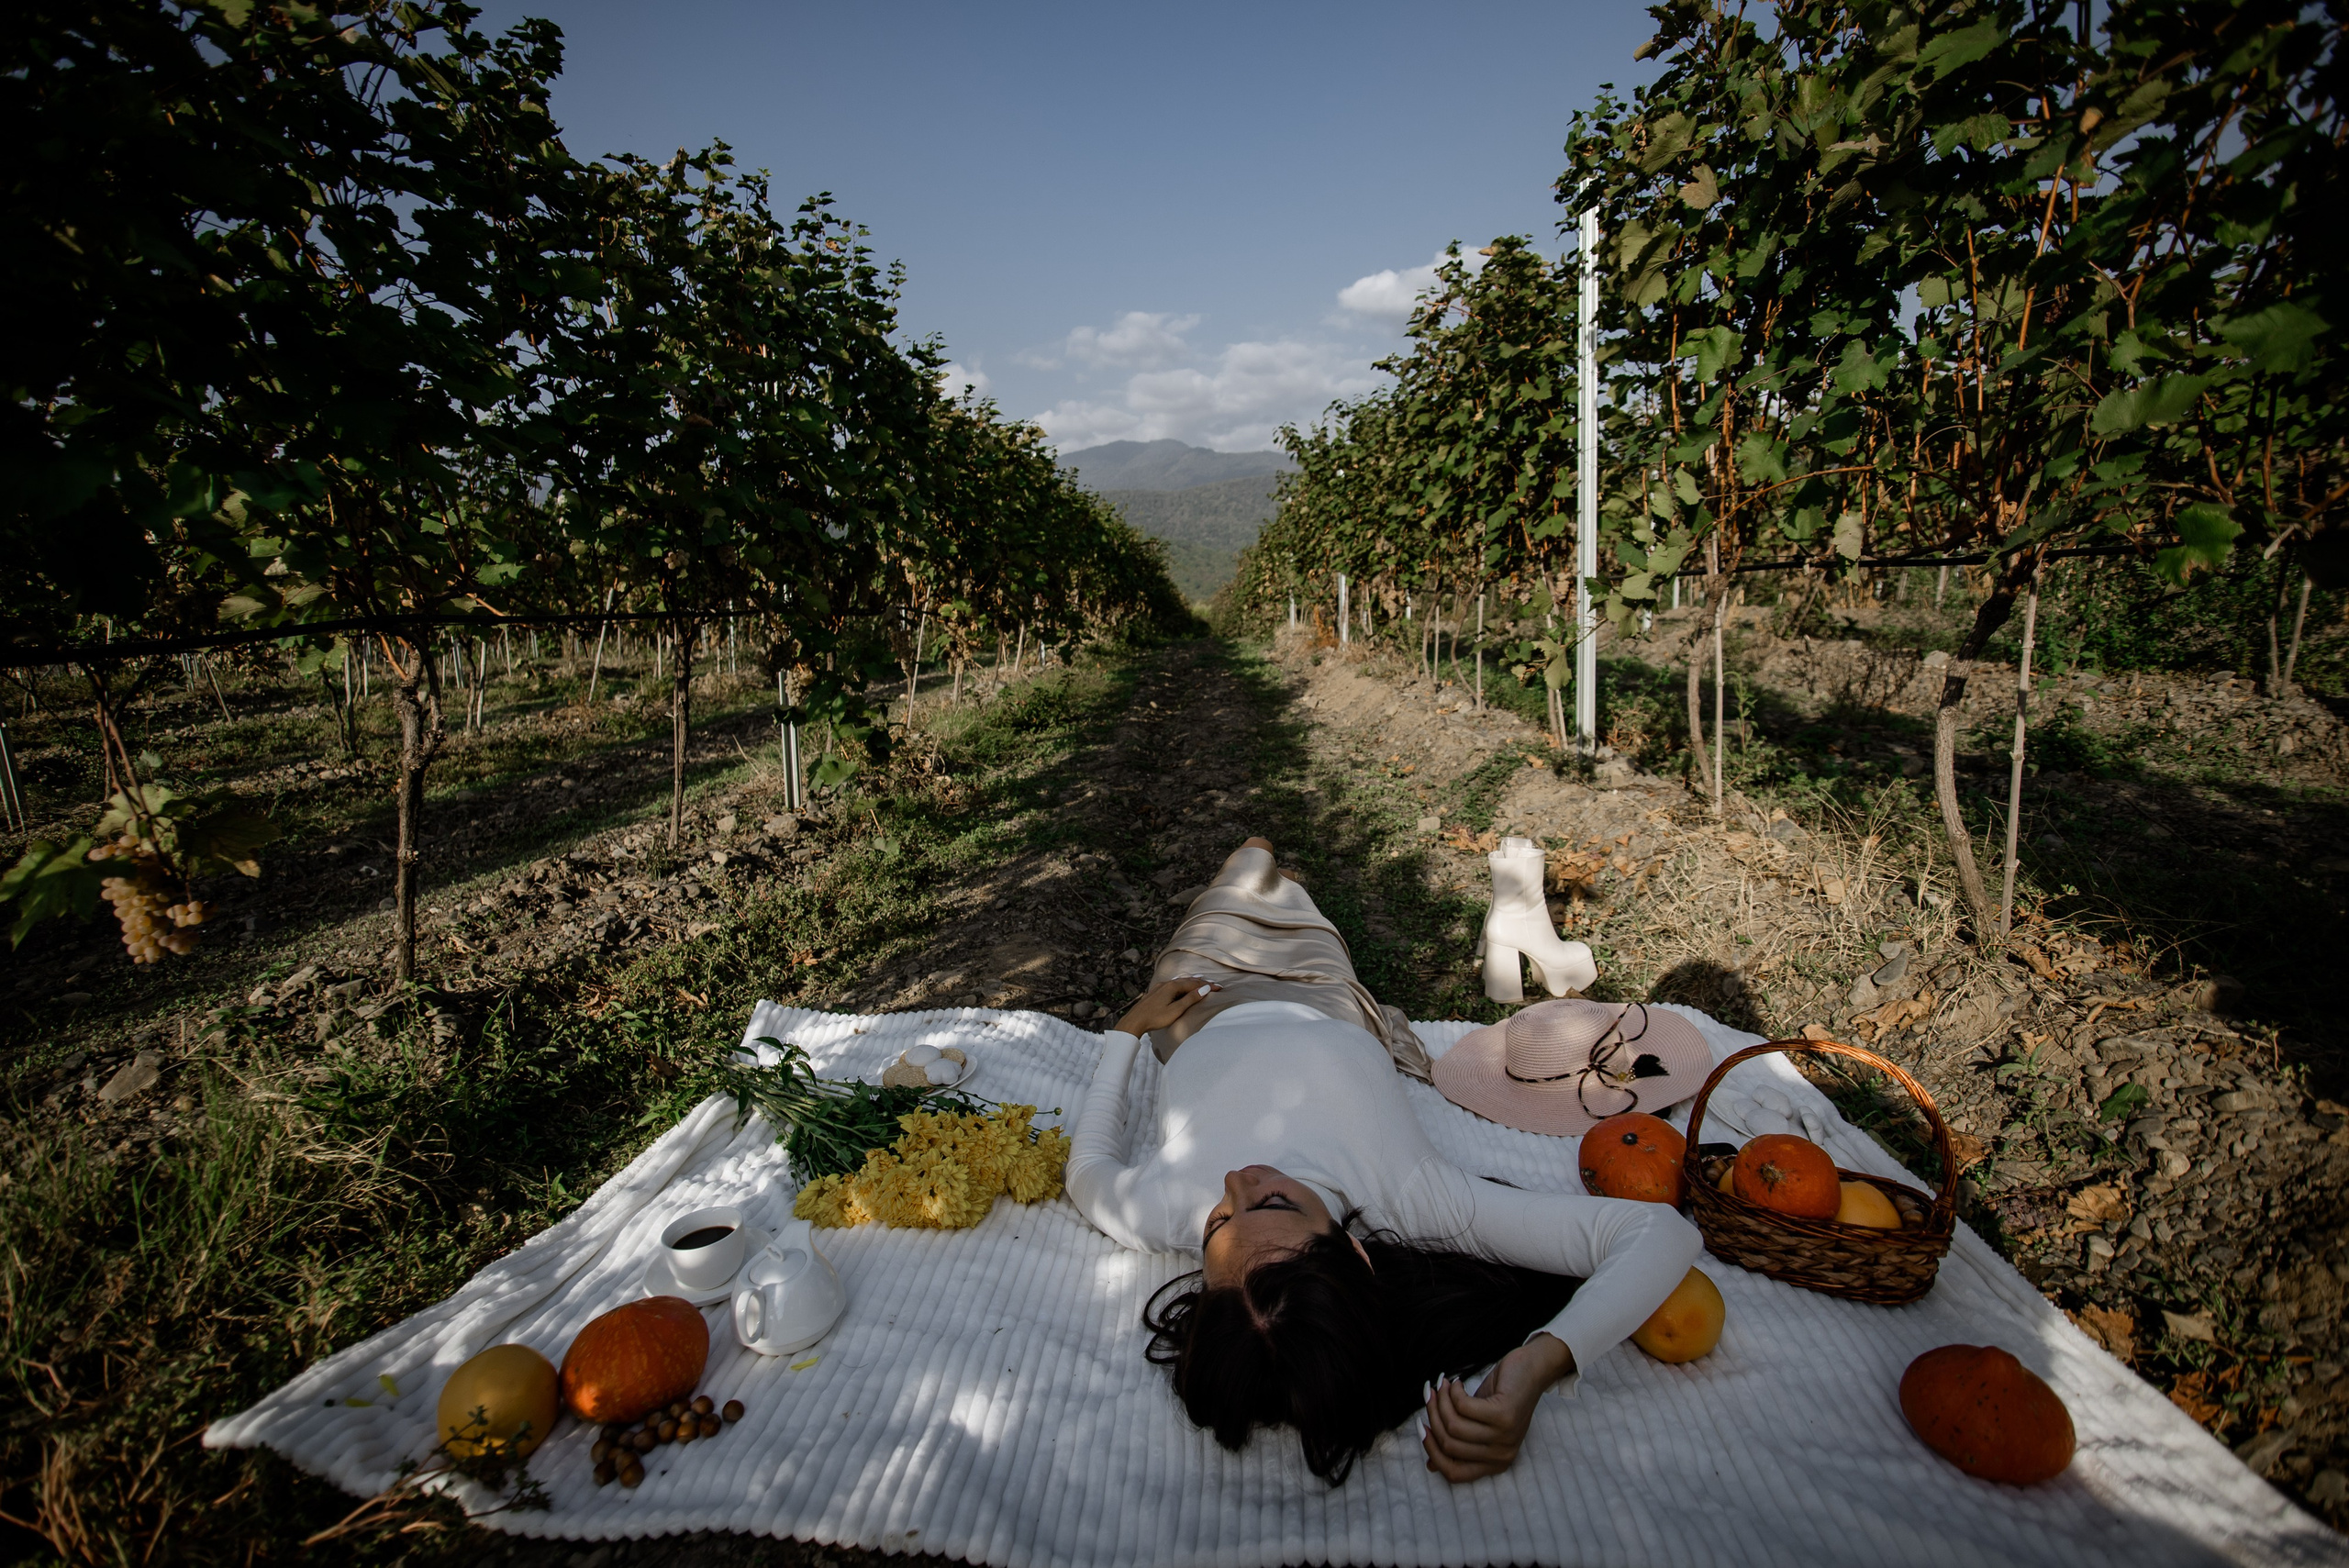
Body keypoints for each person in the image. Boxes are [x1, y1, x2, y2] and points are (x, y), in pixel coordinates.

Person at [1064, 838, 1701, 1485]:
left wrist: (1128, 1030)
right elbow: (1656, 1231)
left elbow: (1087, 1171)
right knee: (1272, 870)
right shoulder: (1415, 1196)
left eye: (1216, 1223)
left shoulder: (1157, 1208)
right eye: (1274, 1201)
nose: (1234, 1181)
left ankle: (1260, 864)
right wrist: (1539, 1363)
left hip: (1198, 996)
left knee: (1248, 861)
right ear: (1355, 1251)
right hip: (1328, 994)